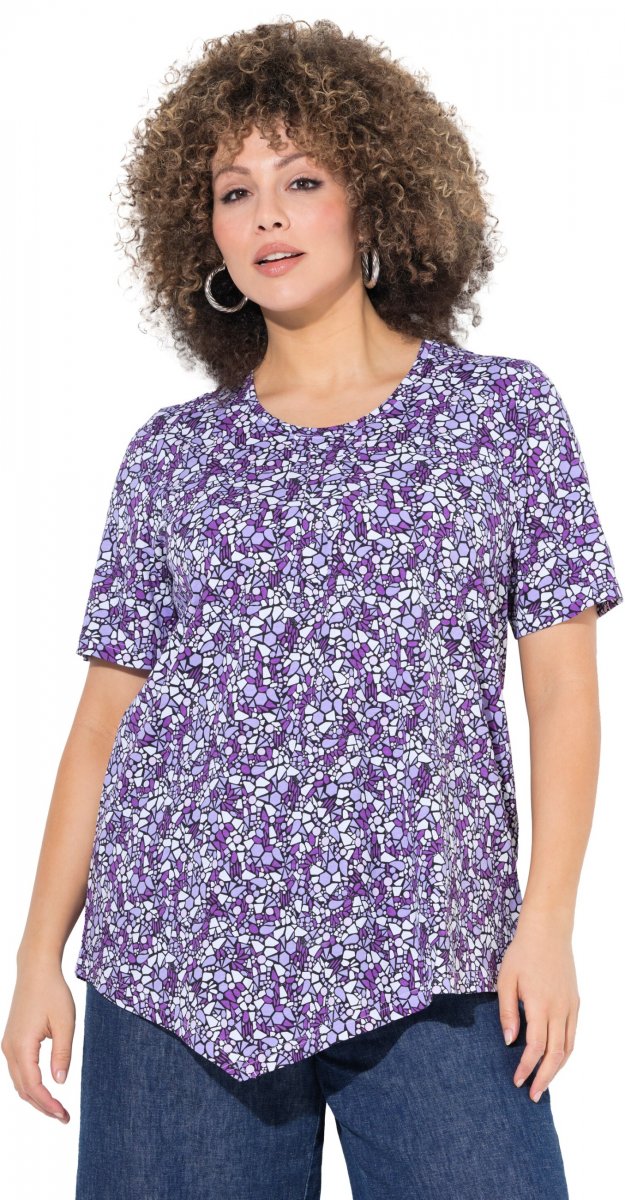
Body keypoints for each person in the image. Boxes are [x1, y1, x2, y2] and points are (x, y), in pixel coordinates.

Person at [2, 17, 622, 1200]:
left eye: (301, 180)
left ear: (376, 195)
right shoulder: (171, 457)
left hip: (435, 958)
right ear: (202, 232)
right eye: (234, 192)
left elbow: (561, 692)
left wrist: (547, 923)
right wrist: (39, 953)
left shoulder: (501, 418)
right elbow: (99, 730)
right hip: (178, 967)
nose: (267, 217)